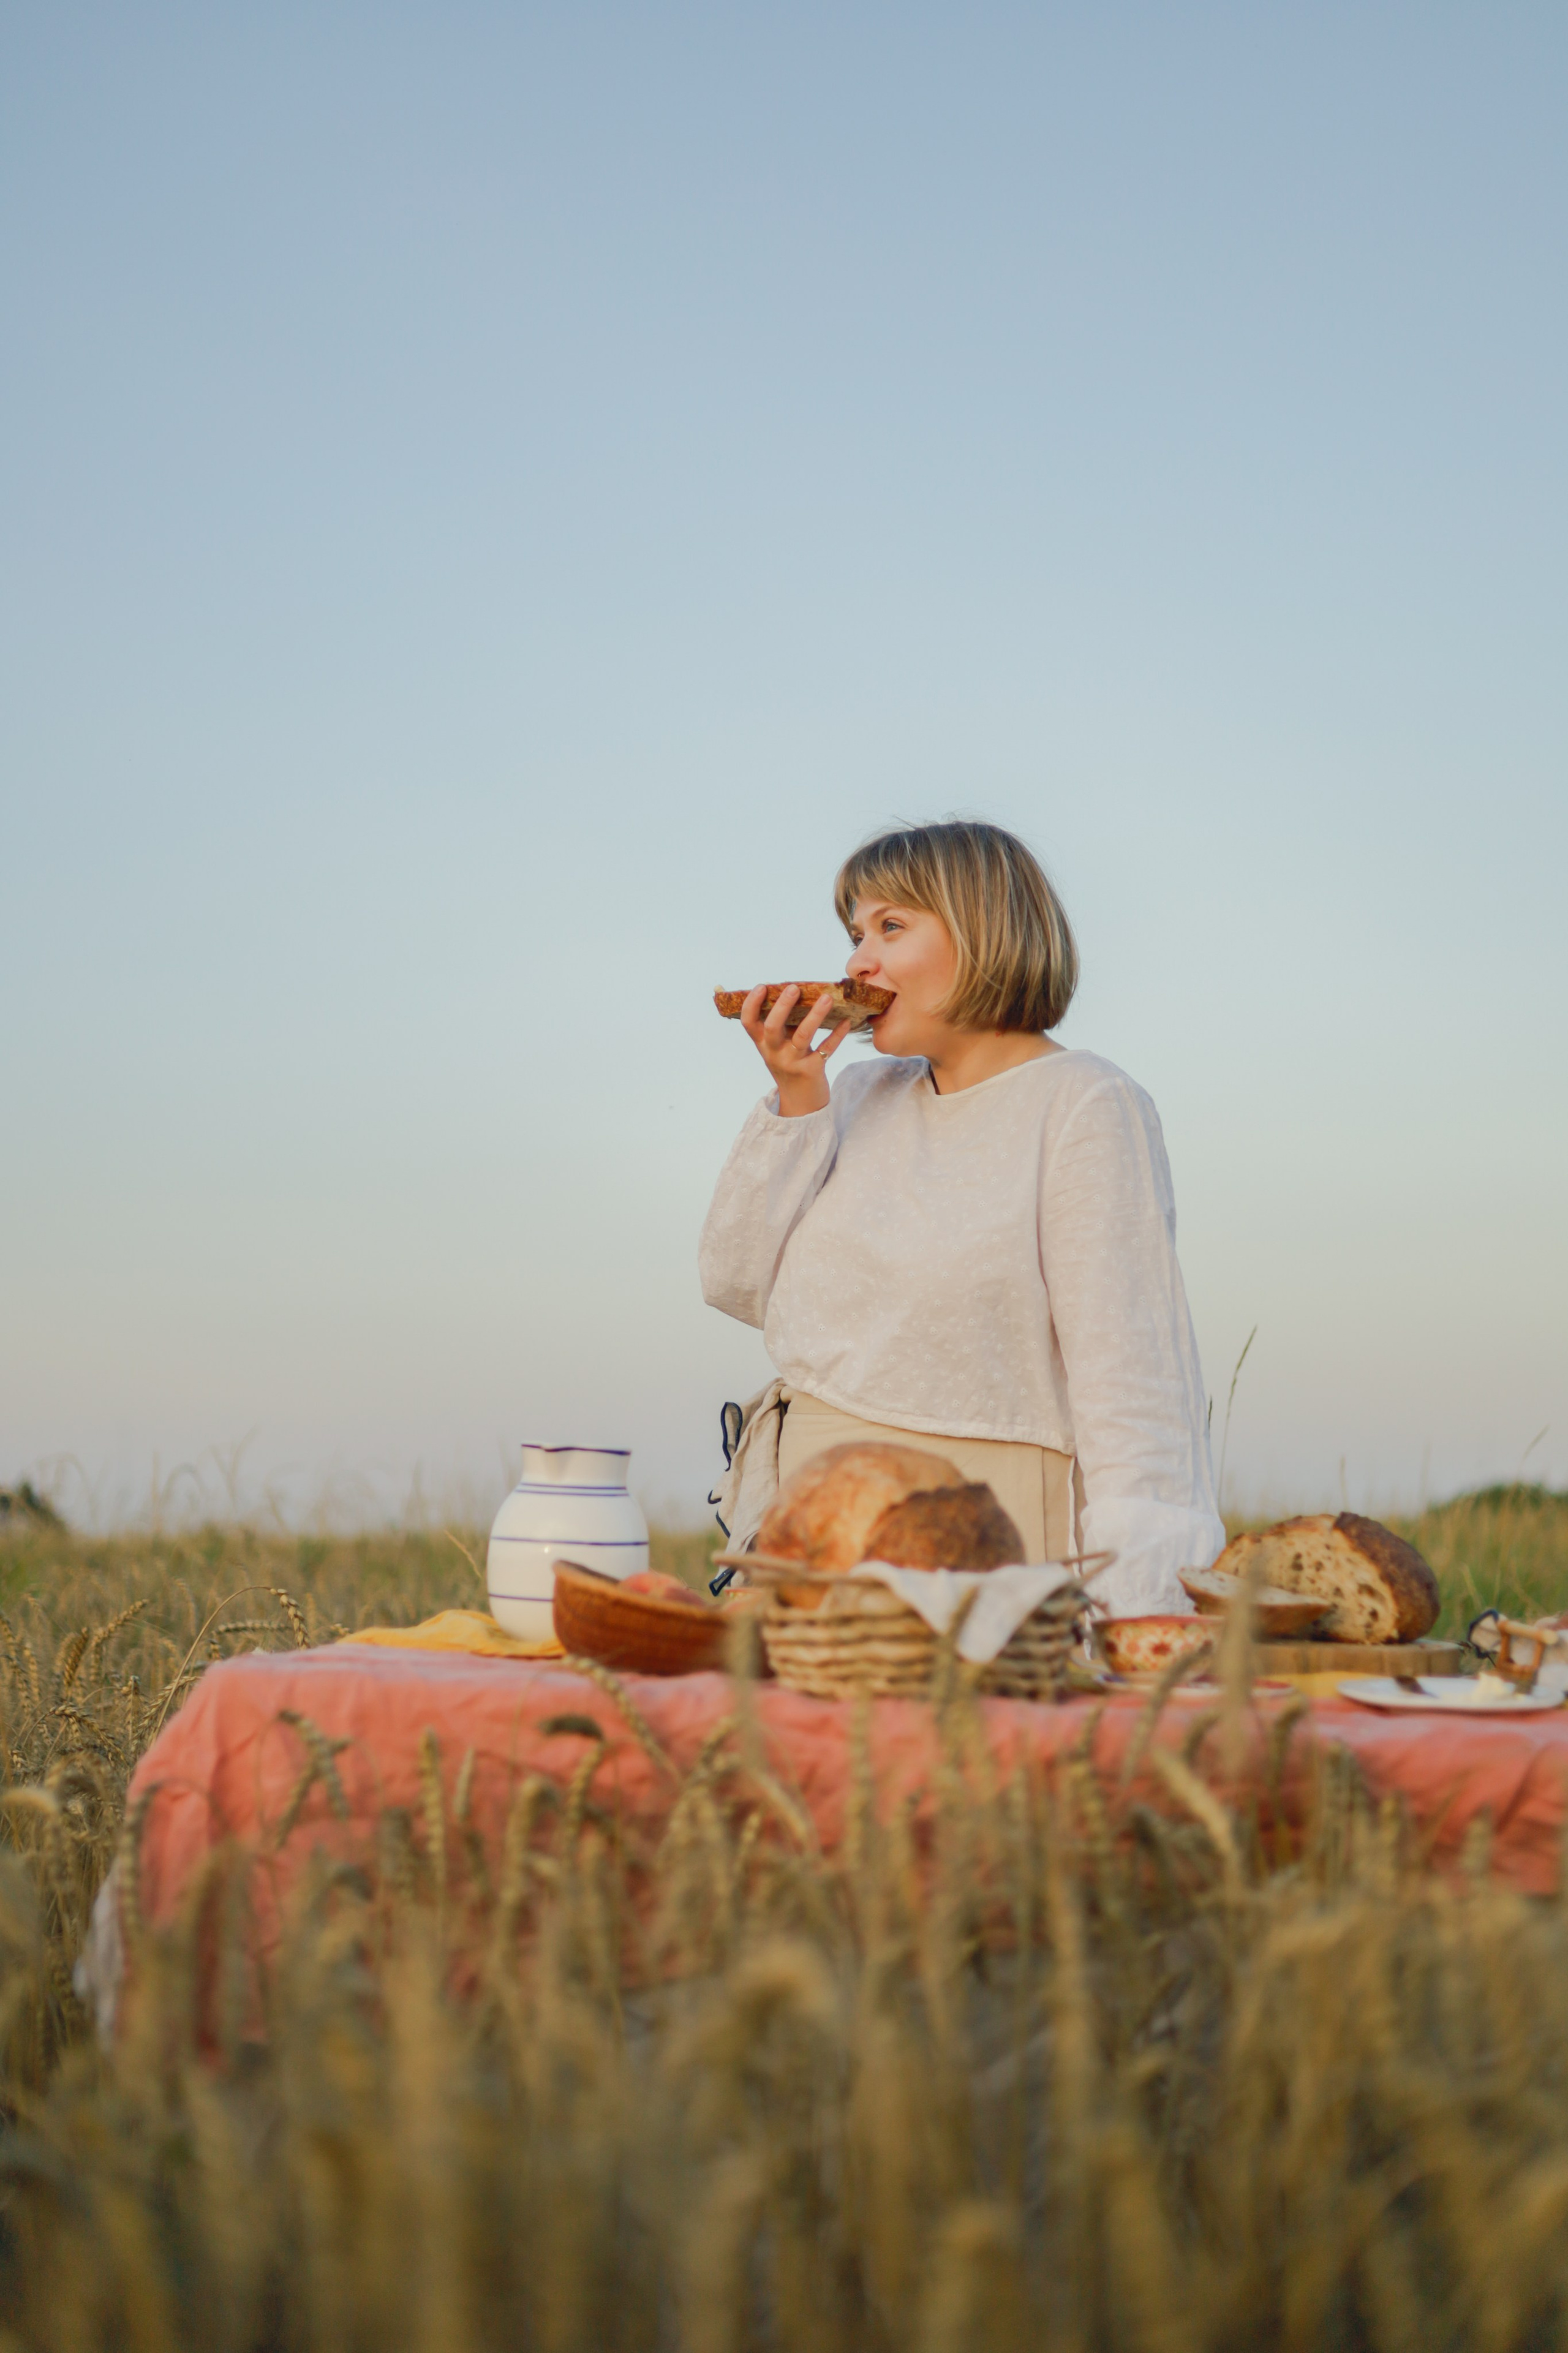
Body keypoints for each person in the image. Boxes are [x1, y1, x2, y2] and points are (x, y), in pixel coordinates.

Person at [698, 819, 1224, 1614]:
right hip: (804, 1542)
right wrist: (799, 1098)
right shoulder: (857, 1095)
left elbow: (1135, 1386)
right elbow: (736, 1281)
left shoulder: (1085, 1103)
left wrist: (1137, 1609)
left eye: (891, 926)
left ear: (984, 930)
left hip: (981, 1555)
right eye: (855, 934)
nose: (856, 961)